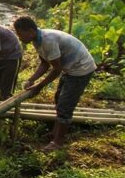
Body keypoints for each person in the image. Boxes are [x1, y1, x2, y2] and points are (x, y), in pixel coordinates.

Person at [13, 16, 97, 151]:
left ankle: (58, 142)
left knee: (65, 105)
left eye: (20, 34)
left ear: (30, 31)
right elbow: (45, 63)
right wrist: (31, 79)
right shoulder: (37, 40)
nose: (19, 37)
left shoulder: (48, 40)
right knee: (58, 98)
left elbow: (56, 70)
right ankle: (55, 133)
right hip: (69, 68)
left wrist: (39, 87)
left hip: (81, 68)